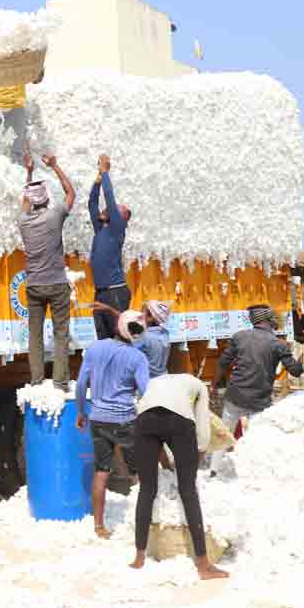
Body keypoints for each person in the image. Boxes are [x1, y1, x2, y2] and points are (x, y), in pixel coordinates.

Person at [130, 372, 230, 580]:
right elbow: (202, 423)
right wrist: (199, 450)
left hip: (144, 421)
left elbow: (144, 408)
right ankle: (203, 564)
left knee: (147, 489)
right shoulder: (198, 385)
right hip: (178, 422)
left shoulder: (154, 382)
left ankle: (139, 557)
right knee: (188, 490)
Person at [76, 310, 151, 539]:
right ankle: (146, 520)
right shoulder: (137, 358)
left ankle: (99, 527)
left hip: (98, 419)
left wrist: (81, 411)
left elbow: (81, 383)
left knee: (101, 472)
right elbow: (146, 391)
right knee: (139, 472)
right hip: (125, 420)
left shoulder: (95, 348)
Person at [19, 154, 77, 391]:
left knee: (35, 335)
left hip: (34, 285)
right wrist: (54, 166)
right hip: (56, 283)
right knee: (60, 333)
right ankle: (60, 382)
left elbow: (24, 200)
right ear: (46, 200)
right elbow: (71, 193)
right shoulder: (54, 216)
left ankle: (36, 380)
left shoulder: (23, 221)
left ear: (32, 202)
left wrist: (29, 172)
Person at [215, 304, 304, 435]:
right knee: (255, 441)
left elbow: (222, 363)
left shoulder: (239, 337)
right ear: (268, 320)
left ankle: (218, 455)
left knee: (223, 438)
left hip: (234, 396)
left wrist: (214, 384)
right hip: (259, 401)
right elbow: (296, 371)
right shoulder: (278, 345)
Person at [89, 154, 132, 340]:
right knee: (103, 338)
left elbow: (109, 197)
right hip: (101, 291)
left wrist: (105, 173)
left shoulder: (117, 229)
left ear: (120, 218)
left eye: (114, 210)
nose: (107, 209)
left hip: (115, 290)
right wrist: (97, 182)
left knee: (119, 336)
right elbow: (92, 204)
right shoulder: (101, 229)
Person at [94, 299, 173, 378]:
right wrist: (109, 309)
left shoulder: (144, 338)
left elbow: (125, 351)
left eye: (142, 313)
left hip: (149, 381)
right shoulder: (165, 334)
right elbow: (125, 318)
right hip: (164, 378)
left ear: (150, 317)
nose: (140, 316)